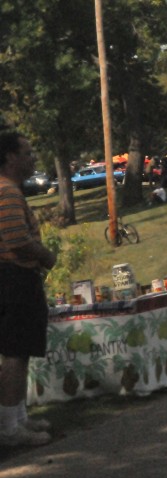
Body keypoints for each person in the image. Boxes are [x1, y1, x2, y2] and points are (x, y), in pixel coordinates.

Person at [0, 131, 57, 447]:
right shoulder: (6, 192)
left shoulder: (9, 190)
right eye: (27, 152)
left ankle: (19, 419)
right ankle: (9, 428)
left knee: (19, 352)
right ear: (9, 157)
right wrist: (46, 255)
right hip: (14, 277)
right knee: (15, 352)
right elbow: (16, 239)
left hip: (14, 277)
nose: (32, 158)